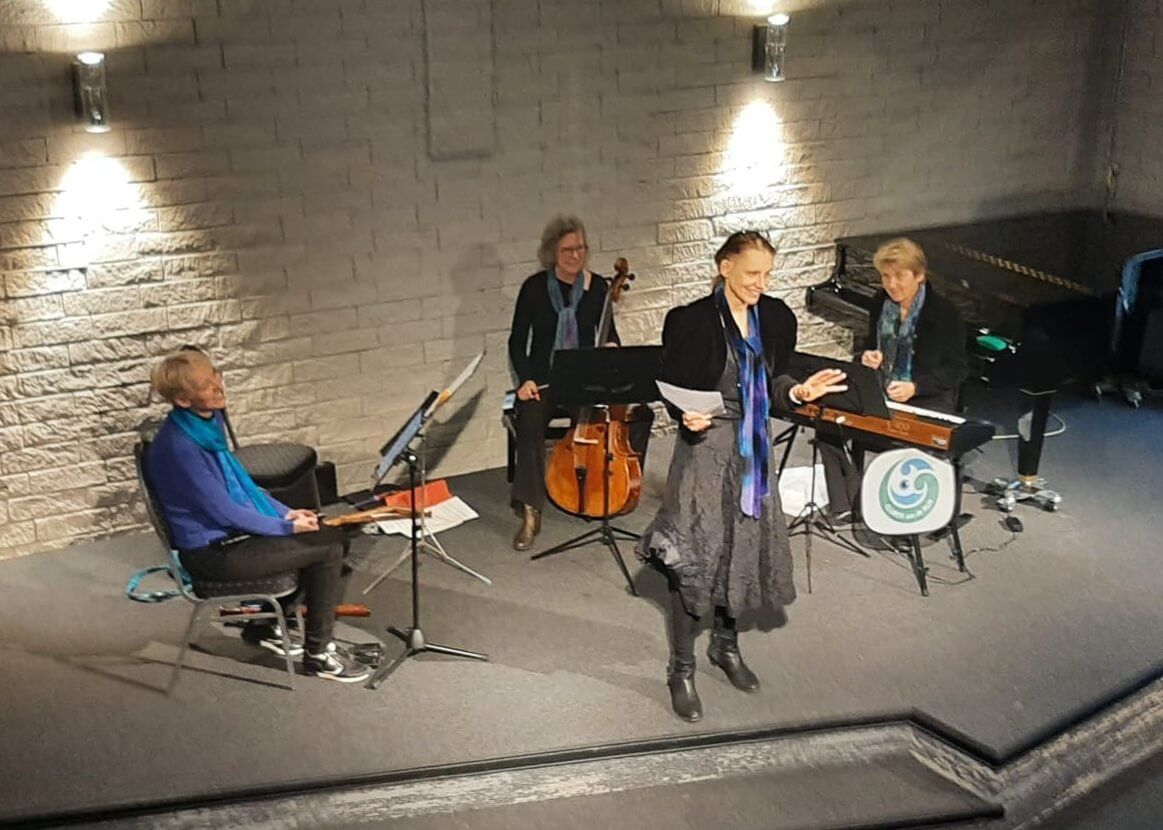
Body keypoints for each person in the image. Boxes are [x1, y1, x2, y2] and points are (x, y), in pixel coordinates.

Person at [637, 230, 846, 722]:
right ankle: (681, 668)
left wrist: (798, 393)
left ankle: (725, 646)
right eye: (753, 273)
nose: (761, 283)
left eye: (767, 274)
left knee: (743, 547)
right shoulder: (690, 321)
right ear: (724, 266)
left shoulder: (775, 316)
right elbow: (674, 385)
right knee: (695, 554)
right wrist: (685, 415)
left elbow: (775, 381)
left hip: (754, 448)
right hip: (706, 448)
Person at [145, 349, 370, 683]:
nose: (218, 386)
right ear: (182, 400)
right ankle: (319, 654)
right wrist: (285, 527)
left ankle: (263, 625)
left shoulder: (203, 424)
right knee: (329, 548)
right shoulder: (179, 447)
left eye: (216, 375)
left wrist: (287, 512)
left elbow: (241, 484)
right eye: (206, 385)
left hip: (229, 537)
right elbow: (225, 510)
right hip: (211, 554)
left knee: (331, 534)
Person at [507, 214, 653, 550]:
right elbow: (517, 341)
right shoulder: (534, 288)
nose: (575, 256)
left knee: (624, 416)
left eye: (581, 249)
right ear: (552, 253)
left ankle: (610, 489)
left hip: (585, 382)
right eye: (567, 250)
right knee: (529, 419)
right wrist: (525, 379)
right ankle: (530, 511)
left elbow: (609, 333)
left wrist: (612, 346)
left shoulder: (599, 287)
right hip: (544, 381)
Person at [820, 237, 969, 521]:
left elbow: (958, 369)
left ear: (919, 275)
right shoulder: (880, 302)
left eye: (900, 276)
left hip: (926, 397)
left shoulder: (944, 313)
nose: (892, 284)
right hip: (881, 389)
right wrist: (869, 356)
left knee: (913, 442)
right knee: (827, 421)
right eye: (886, 277)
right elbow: (871, 344)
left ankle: (904, 513)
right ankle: (846, 502)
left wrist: (916, 386)